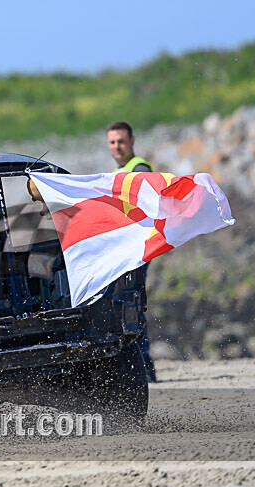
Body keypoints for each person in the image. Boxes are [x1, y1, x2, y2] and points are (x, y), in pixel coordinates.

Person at [106, 121, 158, 382]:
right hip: (127, 249)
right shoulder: (119, 171)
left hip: (137, 249)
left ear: (132, 141)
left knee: (131, 303)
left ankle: (144, 366)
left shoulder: (139, 169)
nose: (117, 146)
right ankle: (141, 365)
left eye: (121, 141)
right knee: (126, 303)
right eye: (112, 142)